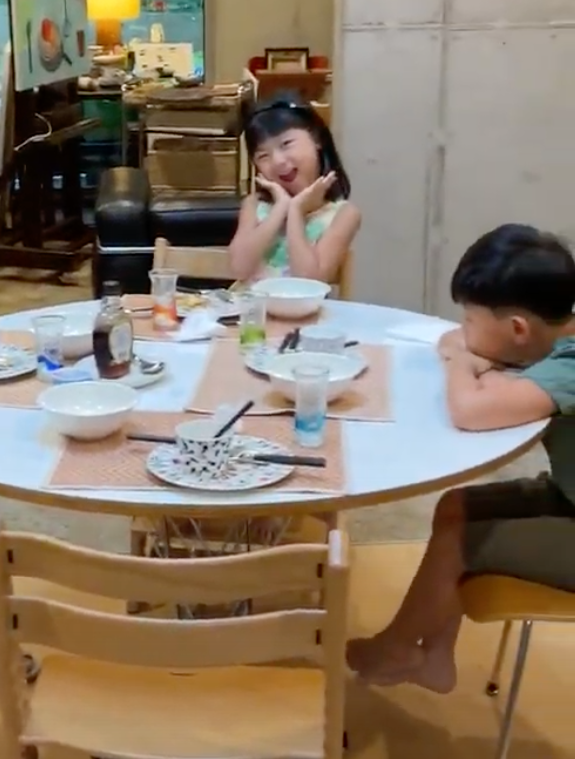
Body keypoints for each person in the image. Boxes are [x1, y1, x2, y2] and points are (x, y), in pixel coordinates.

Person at [347, 224, 575, 693]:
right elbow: (474, 365)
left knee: (460, 538)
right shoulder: (552, 338)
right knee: (456, 506)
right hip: (566, 494)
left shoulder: (569, 367)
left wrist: (462, 362)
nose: (463, 329)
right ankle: (434, 658)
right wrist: (472, 360)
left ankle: (396, 649)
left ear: (518, 329)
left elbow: (470, 411)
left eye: (471, 319)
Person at [228, 97, 361, 283]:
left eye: (286, 144)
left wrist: (296, 212)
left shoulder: (344, 214)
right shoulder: (254, 204)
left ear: (316, 139)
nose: (278, 161)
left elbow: (311, 282)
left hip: (305, 303)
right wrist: (280, 208)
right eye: (263, 156)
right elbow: (239, 269)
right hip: (248, 302)